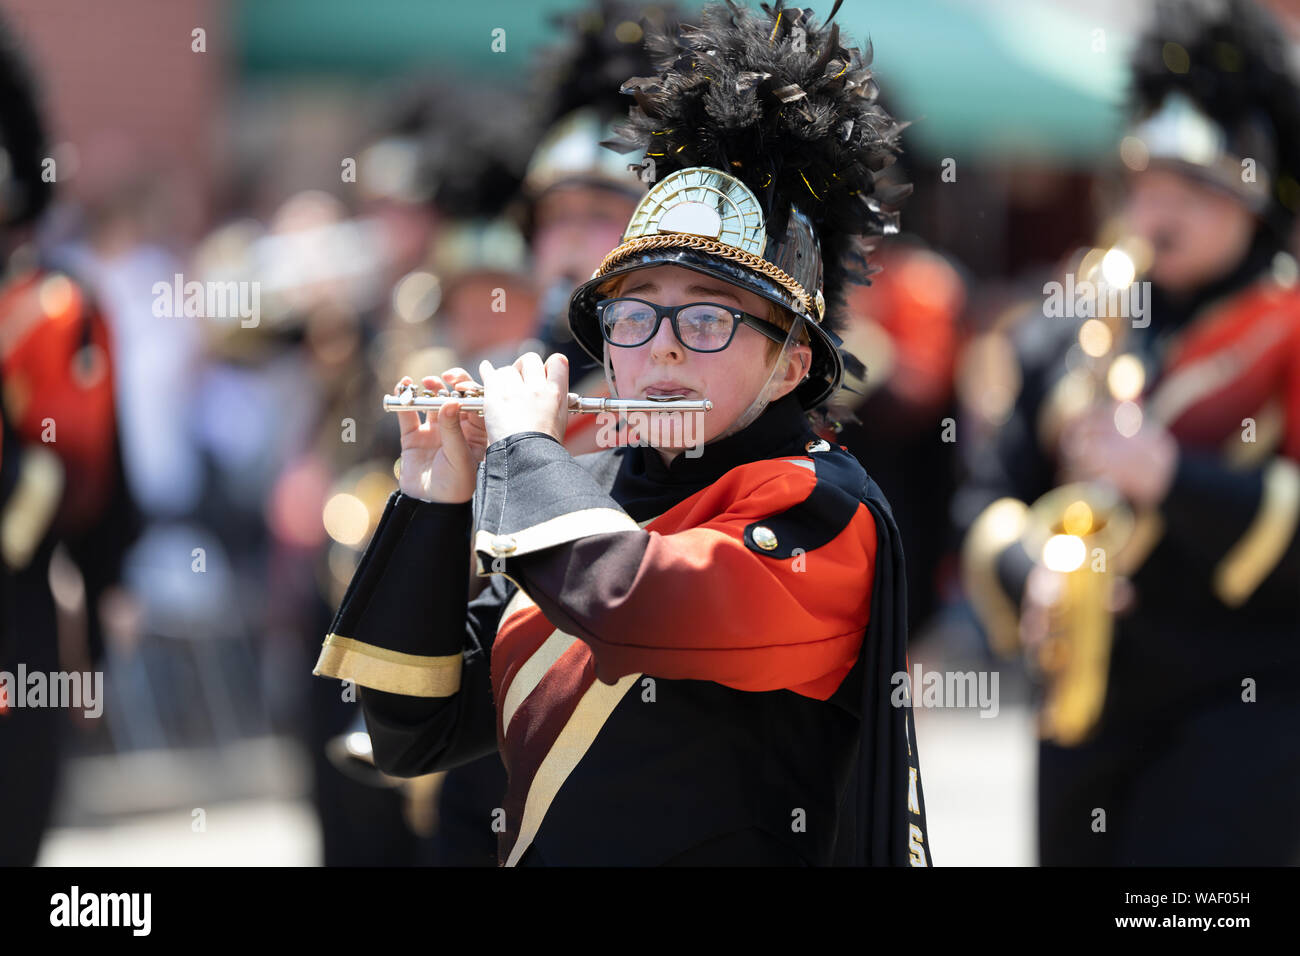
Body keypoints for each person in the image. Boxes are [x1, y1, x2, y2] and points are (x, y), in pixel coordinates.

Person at [314, 0, 932, 866]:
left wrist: (526, 453)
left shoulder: (822, 509)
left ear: (792, 364)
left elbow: (632, 604)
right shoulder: (591, 491)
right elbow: (409, 731)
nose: (664, 346)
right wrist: (432, 497)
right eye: (633, 317)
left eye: (710, 320)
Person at [958, 0, 1300, 865]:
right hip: (1084, 709)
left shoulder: (1288, 329)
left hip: (1245, 717)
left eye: (1194, 189)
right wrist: (1031, 570)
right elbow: (986, 500)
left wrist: (1171, 479)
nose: (1159, 212)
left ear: (1255, 201)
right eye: (1147, 183)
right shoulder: (1064, 328)